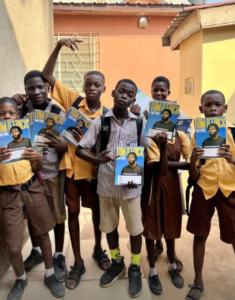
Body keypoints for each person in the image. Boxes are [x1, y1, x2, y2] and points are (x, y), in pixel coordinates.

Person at [41, 38, 111, 290]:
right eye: (88, 84)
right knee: (72, 213)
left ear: (104, 89)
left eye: (97, 85)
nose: (91, 88)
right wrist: (58, 45)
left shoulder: (107, 115)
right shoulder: (72, 100)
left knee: (96, 213)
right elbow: (46, 75)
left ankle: (97, 248)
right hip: (71, 172)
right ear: (83, 86)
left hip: (93, 173)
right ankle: (78, 261)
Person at [75, 78, 152, 298]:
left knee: (135, 229)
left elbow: (147, 149)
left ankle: (135, 266)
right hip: (107, 186)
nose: (124, 96)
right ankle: (118, 262)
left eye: (129, 94)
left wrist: (137, 170)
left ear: (134, 99)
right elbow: (80, 149)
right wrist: (95, 160)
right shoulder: (101, 123)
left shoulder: (138, 122)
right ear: (113, 94)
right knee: (109, 227)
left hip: (131, 189)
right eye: (121, 92)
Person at [0, 97, 65, 300]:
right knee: (13, 245)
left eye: (11, 113)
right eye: (2, 113)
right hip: (8, 194)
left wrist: (37, 159)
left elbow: (36, 168)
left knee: (44, 232)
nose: (7, 116)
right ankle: (20, 278)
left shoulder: (28, 133)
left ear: (18, 115)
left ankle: (50, 273)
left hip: (32, 188)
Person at [12, 70, 68, 283]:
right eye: (30, 88)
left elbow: (69, 143)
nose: (35, 92)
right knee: (33, 215)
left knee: (57, 214)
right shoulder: (22, 111)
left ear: (48, 88)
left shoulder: (58, 112)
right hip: (29, 175)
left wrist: (63, 145)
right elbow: (8, 129)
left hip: (52, 172)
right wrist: (17, 104)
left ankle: (59, 254)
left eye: (40, 87)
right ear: (25, 90)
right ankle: (36, 250)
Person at [131, 76, 191, 269]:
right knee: (152, 211)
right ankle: (156, 246)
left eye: (162, 91)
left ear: (168, 93)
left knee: (170, 212)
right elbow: (137, 136)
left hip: (171, 173)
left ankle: (171, 254)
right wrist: (134, 115)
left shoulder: (176, 111)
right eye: (155, 90)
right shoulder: (145, 111)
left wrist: (177, 141)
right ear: (151, 91)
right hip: (150, 171)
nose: (159, 93)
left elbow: (186, 134)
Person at [186, 90, 235, 300]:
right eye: (208, 105)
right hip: (204, 189)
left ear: (225, 109)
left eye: (217, 105)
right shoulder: (197, 135)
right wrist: (192, 160)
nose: (212, 109)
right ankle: (198, 281)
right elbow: (194, 174)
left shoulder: (233, 134)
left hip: (229, 190)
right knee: (200, 234)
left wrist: (232, 160)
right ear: (201, 109)